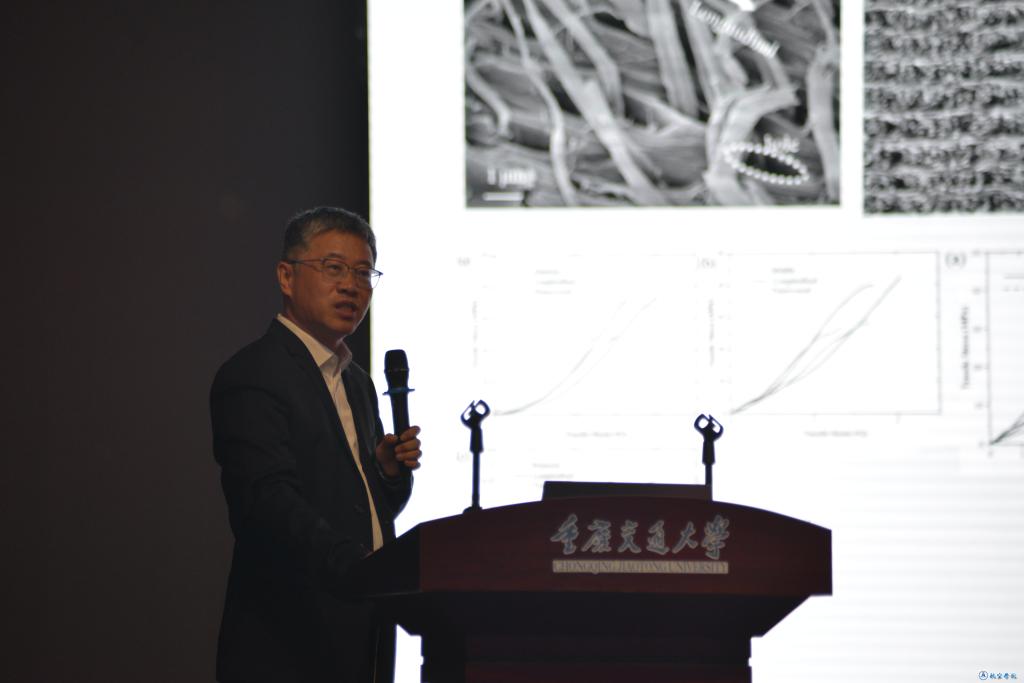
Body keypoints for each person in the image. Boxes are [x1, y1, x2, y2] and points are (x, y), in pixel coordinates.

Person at [210, 206, 422, 683]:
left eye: (364, 273)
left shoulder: (357, 382)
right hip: (288, 642)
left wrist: (386, 474)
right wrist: (360, 568)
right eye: (334, 268)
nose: (351, 286)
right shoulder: (254, 374)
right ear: (287, 277)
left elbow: (362, 509)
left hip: (362, 635)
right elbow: (266, 503)